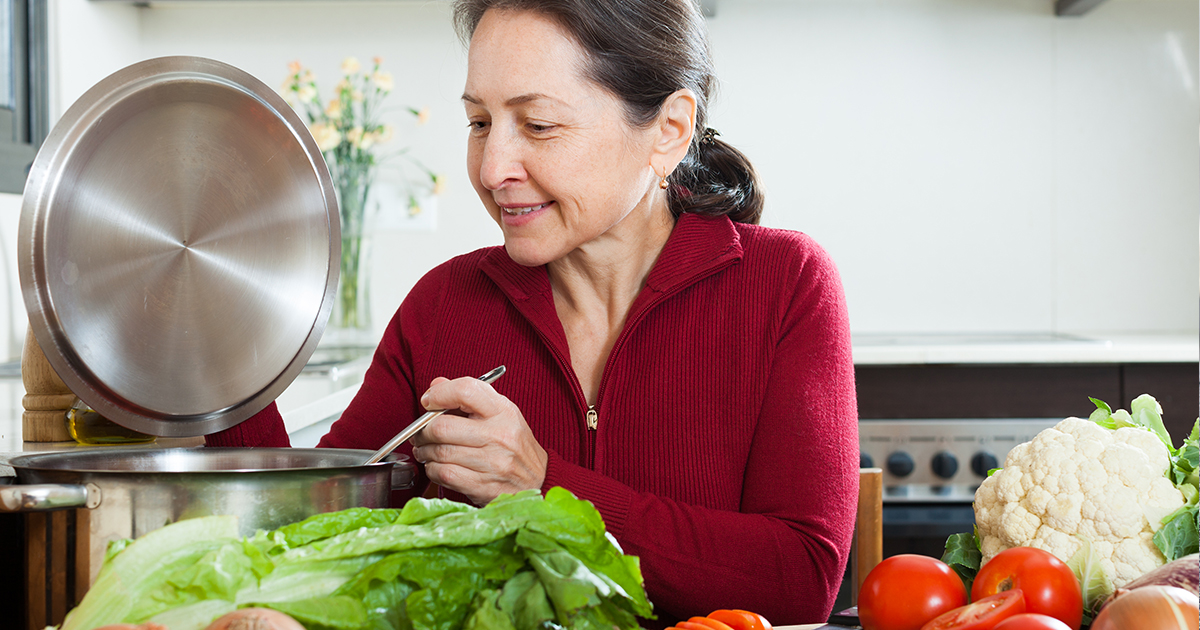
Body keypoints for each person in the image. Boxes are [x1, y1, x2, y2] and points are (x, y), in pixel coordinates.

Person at [209, 0, 859, 625]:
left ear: (668, 131)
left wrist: (542, 488)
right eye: (480, 123)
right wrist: (220, 350)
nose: (493, 170)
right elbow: (307, 539)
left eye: (539, 125)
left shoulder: (786, 285)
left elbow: (800, 581)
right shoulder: (444, 304)